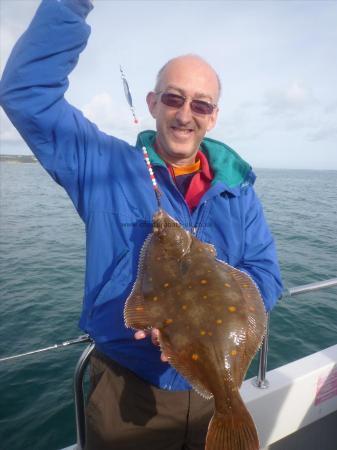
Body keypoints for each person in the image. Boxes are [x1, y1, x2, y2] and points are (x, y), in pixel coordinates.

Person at [0, 1, 283, 449]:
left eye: (200, 104)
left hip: (213, 390)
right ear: (152, 103)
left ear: (213, 116)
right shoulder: (104, 166)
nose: (185, 114)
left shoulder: (238, 190)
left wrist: (225, 308)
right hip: (127, 396)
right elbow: (26, 92)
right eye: (173, 98)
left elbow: (266, 274)